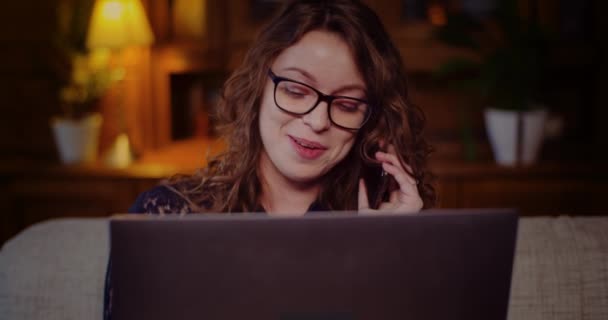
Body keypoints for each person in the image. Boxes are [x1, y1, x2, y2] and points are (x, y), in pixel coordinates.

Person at [129, 0, 436, 217]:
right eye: (296, 90)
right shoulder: (165, 212)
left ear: (371, 122)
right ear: (258, 87)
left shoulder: (392, 221)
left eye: (347, 105)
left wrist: (395, 246)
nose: (317, 121)